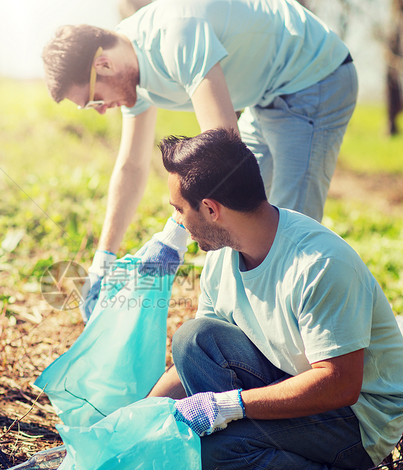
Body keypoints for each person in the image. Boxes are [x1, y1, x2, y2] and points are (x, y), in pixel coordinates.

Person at [148, 129, 403, 470]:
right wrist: (143, 416)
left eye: (180, 209)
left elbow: (341, 384)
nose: (177, 220)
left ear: (212, 209)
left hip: (358, 419)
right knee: (193, 339)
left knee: (214, 450)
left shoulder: (317, 265)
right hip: (296, 384)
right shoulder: (223, 254)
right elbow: (197, 362)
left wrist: (229, 406)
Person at [42, 0, 358, 320]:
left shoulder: (176, 33)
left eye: (93, 99)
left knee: (284, 235)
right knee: (234, 219)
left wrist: (173, 237)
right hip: (265, 97)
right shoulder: (129, 69)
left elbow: (224, 150)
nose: (99, 109)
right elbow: (132, 166)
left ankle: (350, 330)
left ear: (104, 65)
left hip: (314, 76)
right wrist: (104, 261)